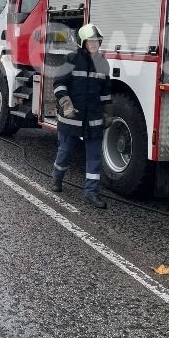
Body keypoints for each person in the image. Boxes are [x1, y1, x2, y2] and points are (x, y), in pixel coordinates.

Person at [51, 23, 113, 209]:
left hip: (93, 117)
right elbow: (59, 83)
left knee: (94, 156)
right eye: (91, 41)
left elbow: (106, 92)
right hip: (71, 115)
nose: (95, 44)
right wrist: (65, 103)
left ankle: (91, 193)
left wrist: (108, 112)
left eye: (97, 41)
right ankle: (57, 178)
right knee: (66, 152)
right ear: (82, 42)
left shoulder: (103, 63)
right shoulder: (70, 59)